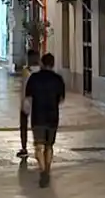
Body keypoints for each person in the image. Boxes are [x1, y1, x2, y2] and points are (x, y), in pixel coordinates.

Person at [22, 52, 68, 187]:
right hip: (53, 116)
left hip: (38, 117)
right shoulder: (58, 79)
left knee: (38, 146)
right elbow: (61, 99)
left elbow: (28, 97)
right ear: (53, 64)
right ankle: (47, 169)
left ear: (41, 63)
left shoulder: (34, 78)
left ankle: (43, 171)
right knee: (49, 146)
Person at [16, 48, 41, 162]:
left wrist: (23, 102)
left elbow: (24, 89)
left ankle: (24, 147)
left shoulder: (26, 71)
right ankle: (39, 146)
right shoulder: (41, 71)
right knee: (37, 126)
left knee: (24, 125)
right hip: (38, 102)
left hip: (26, 101)